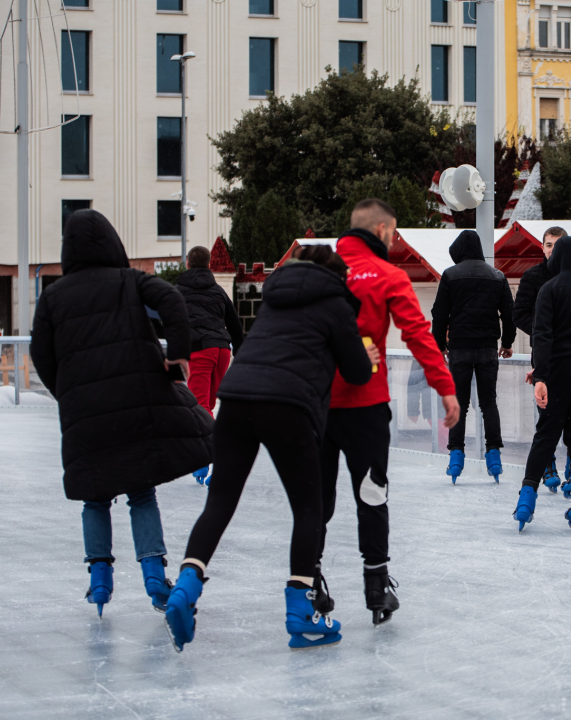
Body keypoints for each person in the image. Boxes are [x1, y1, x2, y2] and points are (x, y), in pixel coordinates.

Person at [164, 245, 377, 652]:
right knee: (309, 507)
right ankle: (300, 611)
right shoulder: (336, 304)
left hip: (236, 399)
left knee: (220, 501)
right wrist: (364, 355)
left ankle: (187, 587)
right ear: (336, 276)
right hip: (288, 406)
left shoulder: (274, 300)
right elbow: (355, 372)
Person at [30, 209, 213, 618]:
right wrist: (179, 356)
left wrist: (67, 391)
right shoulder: (130, 281)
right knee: (141, 490)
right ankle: (153, 576)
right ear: (113, 243)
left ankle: (99, 581)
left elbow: (39, 351)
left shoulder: (54, 295)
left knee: (95, 498)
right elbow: (172, 299)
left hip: (86, 412)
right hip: (137, 401)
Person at [319, 198, 458, 626]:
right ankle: (377, 588)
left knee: (314, 500)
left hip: (315, 405)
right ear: (380, 230)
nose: (395, 241)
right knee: (372, 494)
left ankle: (308, 583)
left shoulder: (316, 270)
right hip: (365, 405)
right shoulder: (387, 275)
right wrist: (445, 388)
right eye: (394, 233)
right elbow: (417, 334)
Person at [512, 236, 571, 532]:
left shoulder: (550, 288)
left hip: (562, 367)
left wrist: (540, 375)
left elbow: (542, 335)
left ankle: (526, 501)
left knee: (547, 432)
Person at [430, 229, 516, 482]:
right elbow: (509, 313)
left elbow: (439, 314)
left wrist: (439, 345)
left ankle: (456, 457)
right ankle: (494, 456)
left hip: (459, 348)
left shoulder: (450, 275)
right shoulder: (497, 276)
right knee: (488, 402)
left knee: (460, 403)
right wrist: (507, 342)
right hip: (488, 347)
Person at [176, 245, 244, 484]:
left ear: (187, 263)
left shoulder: (179, 290)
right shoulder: (217, 291)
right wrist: (241, 353)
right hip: (222, 350)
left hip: (201, 350)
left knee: (199, 407)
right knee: (208, 405)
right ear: (209, 265)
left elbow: (170, 322)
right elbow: (234, 324)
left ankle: (214, 456)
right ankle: (204, 461)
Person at [512, 225, 565, 490]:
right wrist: (541, 329)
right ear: (542, 247)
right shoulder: (532, 276)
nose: (552, 249)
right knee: (545, 412)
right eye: (548, 244)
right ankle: (548, 464)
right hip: (543, 353)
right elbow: (518, 312)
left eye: (557, 244)